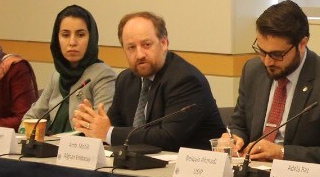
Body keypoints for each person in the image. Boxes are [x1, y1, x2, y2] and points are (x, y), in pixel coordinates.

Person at [223, 0, 320, 168]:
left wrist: (283, 153)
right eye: (261, 51)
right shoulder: (253, 70)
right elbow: (239, 124)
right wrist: (234, 138)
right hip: (251, 176)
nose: (267, 62)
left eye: (276, 54)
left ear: (302, 44)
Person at [72, 12, 224, 151]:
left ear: (164, 43)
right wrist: (91, 126)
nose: (139, 54)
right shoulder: (126, 80)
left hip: (192, 174)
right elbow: (112, 125)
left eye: (146, 45)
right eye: (131, 47)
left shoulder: (185, 80)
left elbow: (168, 138)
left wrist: (108, 133)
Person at [22, 5, 116, 135]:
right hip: (50, 150)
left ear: (91, 38)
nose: (72, 42)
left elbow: (101, 129)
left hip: (80, 151)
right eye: (65, 35)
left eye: (80, 35)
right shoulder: (57, 76)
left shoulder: (103, 75)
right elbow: (30, 119)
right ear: (57, 39)